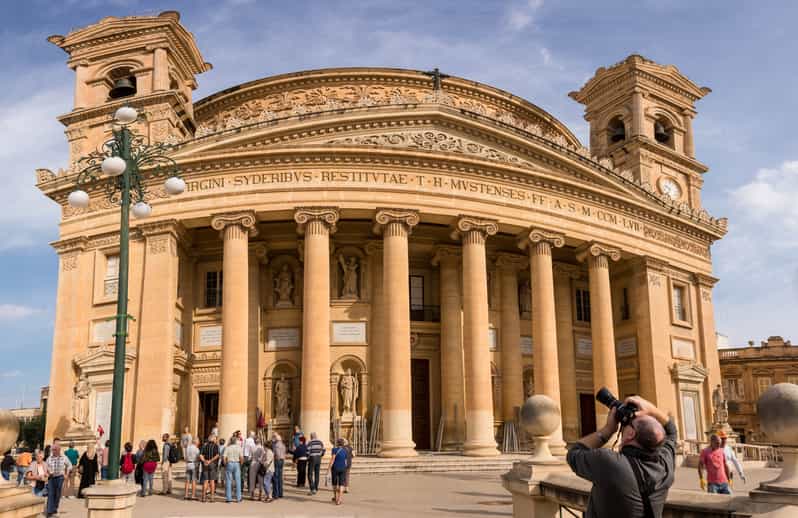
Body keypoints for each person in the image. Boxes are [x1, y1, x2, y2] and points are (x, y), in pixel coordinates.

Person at [567, 395, 677, 518]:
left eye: (628, 424)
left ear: (631, 433)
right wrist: (651, 410)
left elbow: (574, 453)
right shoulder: (665, 465)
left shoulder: (609, 463)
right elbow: (671, 431)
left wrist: (608, 430)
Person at [44, 439, 72, 517]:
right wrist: (48, 472)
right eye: (53, 450)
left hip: (60, 477)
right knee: (50, 493)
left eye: (55, 450)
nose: (54, 451)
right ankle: (49, 511)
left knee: (57, 494)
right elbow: (46, 466)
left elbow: (69, 465)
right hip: (51, 477)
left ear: (59, 450)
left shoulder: (64, 457)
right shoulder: (49, 458)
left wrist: (66, 474)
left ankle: (54, 508)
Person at [328, 438, 349, 506]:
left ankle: (335, 497)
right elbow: (345, 462)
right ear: (343, 444)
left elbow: (333, 459)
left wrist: (328, 468)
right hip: (343, 468)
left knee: (334, 483)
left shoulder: (334, 449)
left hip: (335, 468)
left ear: (337, 443)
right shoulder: (345, 451)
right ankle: (339, 499)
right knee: (341, 484)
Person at [199, 435, 220, 503]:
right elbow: (217, 455)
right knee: (212, 481)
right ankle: (212, 497)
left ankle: (203, 497)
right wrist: (210, 461)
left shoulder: (204, 445)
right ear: (213, 439)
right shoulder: (215, 445)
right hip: (212, 464)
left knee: (205, 481)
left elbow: (201, 455)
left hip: (205, 464)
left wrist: (205, 461)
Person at [223, 435, 243, 503]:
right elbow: (241, 458)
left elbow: (224, 457)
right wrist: (240, 464)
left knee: (228, 481)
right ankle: (238, 498)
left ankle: (229, 499)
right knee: (238, 481)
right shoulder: (239, 448)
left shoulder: (227, 448)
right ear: (236, 441)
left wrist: (225, 464)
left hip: (229, 463)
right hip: (237, 463)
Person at [272, 432, 286, 499]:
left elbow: (276, 453)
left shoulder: (276, 445)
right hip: (282, 460)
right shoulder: (283, 445)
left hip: (277, 460)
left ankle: (276, 494)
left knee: (275, 477)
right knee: (280, 477)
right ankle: (281, 493)